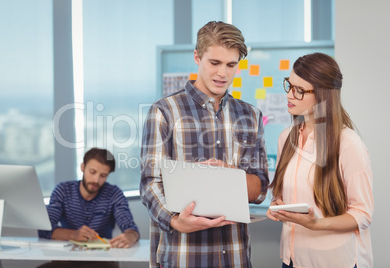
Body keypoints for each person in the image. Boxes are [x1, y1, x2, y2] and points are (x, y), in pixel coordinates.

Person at [140, 21, 269, 268]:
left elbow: (260, 187)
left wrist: (229, 175)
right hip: (182, 256)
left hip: (234, 257)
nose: (223, 73)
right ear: (197, 57)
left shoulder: (251, 116)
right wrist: (175, 220)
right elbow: (150, 183)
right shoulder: (164, 112)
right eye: (215, 63)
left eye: (231, 65)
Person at [266, 53, 373, 268]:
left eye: (300, 90)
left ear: (323, 96)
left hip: (335, 261)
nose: (289, 94)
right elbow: (280, 195)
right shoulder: (286, 138)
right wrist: (277, 206)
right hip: (292, 259)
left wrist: (317, 224)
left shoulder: (348, 143)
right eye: (289, 85)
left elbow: (362, 214)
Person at [38, 147, 140, 268]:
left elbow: (131, 228)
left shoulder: (114, 194)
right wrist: (74, 235)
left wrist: (130, 236)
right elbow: (44, 229)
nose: (96, 180)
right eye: (92, 172)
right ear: (82, 167)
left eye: (103, 175)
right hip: (66, 259)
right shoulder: (63, 190)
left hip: (103, 260)